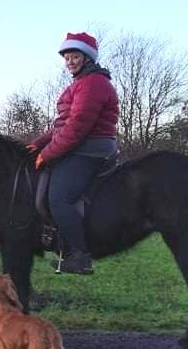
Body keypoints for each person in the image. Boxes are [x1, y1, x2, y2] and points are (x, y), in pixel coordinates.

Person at [28, 32, 119, 275]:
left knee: (60, 198)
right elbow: (63, 124)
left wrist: (46, 154)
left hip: (91, 149)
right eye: (67, 57)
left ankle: (79, 255)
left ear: (87, 57)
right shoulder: (81, 83)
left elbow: (77, 128)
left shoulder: (94, 84)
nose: (69, 62)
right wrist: (37, 144)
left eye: (75, 56)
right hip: (82, 145)